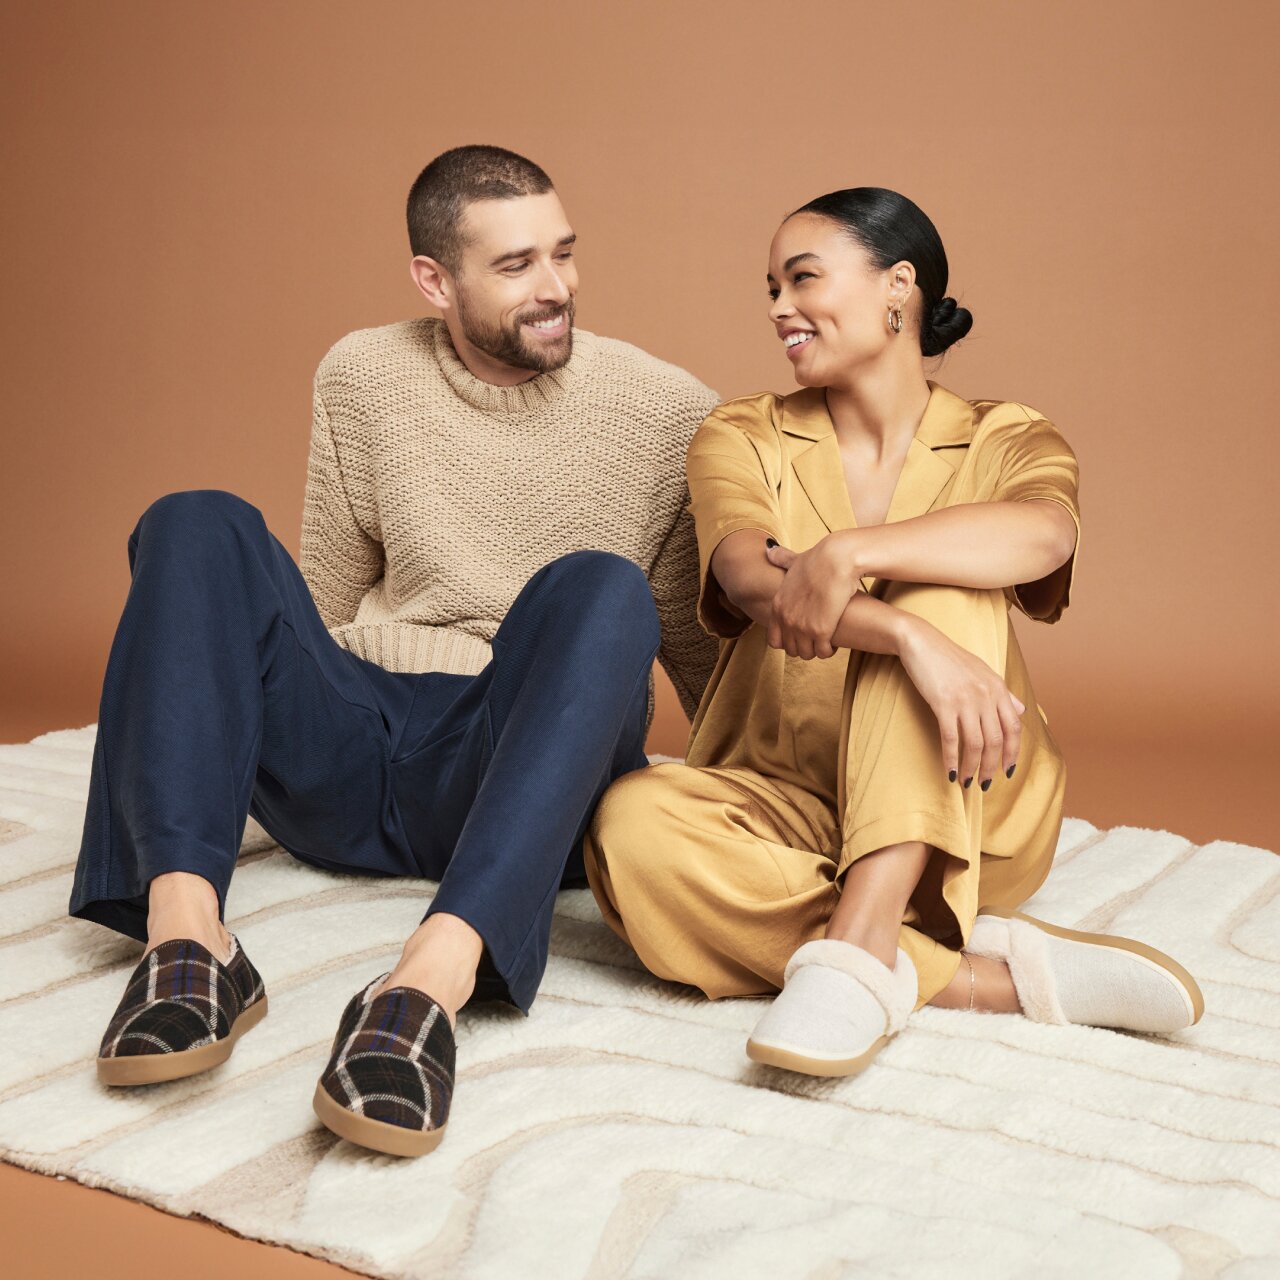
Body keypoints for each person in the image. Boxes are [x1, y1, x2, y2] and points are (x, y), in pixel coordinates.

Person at [71, 145, 719, 1153]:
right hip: (353, 741)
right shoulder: (363, 373)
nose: (555, 289)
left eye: (563, 254)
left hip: (513, 755)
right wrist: (204, 762)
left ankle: (422, 984)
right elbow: (312, 609)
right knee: (193, 519)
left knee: (601, 582)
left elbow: (691, 654)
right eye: (514, 266)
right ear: (433, 278)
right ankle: (190, 940)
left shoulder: (665, 407)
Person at [584, 186, 1203, 1078]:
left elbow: (1043, 537)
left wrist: (853, 555)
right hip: (782, 800)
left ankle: (865, 934)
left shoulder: (1006, 434)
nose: (777, 310)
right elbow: (748, 577)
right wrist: (907, 641)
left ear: (897, 288)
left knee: (944, 594)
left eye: (802, 280)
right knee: (628, 826)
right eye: (770, 288)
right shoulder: (741, 431)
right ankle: (988, 975)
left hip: (967, 807)